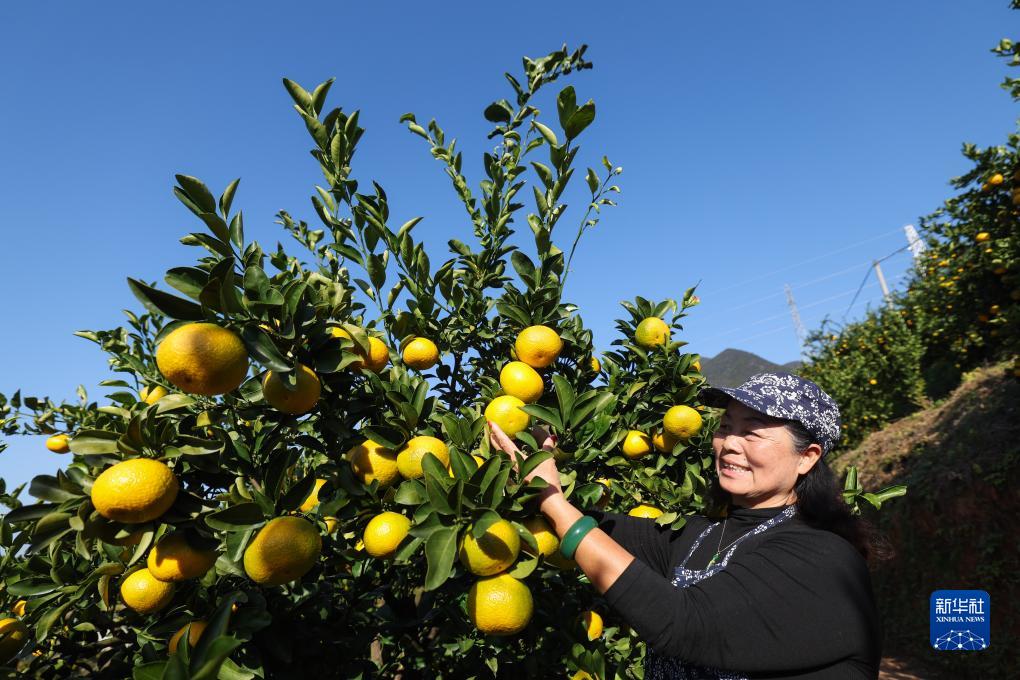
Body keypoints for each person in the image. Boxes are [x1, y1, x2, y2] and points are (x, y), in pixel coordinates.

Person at [487, 371, 882, 680]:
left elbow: (684, 624)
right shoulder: (702, 534)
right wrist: (527, 478)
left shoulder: (823, 557)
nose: (730, 444)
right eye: (726, 427)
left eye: (752, 432)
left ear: (807, 457)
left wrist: (554, 502)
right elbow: (597, 529)